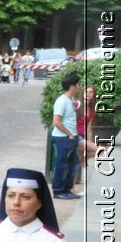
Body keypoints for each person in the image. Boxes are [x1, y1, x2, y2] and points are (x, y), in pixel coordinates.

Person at [50, 71, 83, 200]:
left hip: (70, 137)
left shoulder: (71, 100)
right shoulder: (62, 101)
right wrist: (69, 133)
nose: (80, 86)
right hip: (63, 138)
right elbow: (56, 122)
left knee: (73, 164)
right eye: (78, 84)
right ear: (72, 87)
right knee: (62, 164)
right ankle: (58, 190)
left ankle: (66, 189)